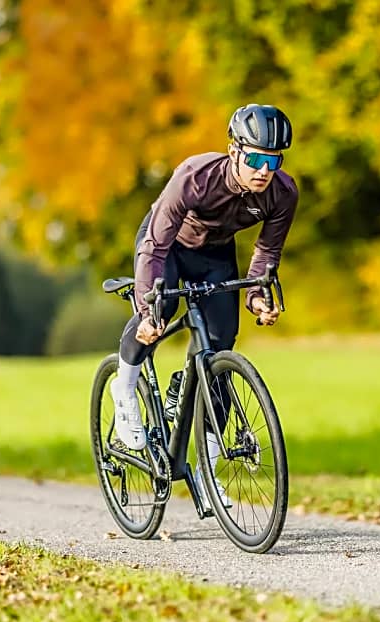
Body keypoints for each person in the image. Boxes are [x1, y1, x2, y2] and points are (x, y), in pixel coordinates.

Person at [108, 103, 298, 510]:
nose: (264, 170)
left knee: (220, 344)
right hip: (167, 245)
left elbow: (266, 252)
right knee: (157, 317)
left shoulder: (282, 194)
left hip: (214, 255)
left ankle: (210, 468)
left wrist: (258, 295)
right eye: (255, 158)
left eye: (273, 160)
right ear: (234, 151)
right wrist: (147, 310)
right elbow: (154, 247)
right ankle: (123, 386)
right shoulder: (195, 177)